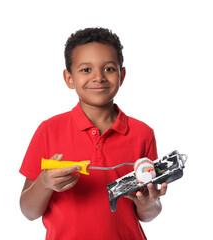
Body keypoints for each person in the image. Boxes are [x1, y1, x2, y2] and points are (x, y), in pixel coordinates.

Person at [19, 27, 167, 240]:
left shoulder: (143, 133)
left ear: (122, 75)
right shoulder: (48, 130)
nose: (98, 77)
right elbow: (28, 211)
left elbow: (148, 214)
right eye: (86, 70)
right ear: (69, 78)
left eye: (108, 69)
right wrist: (45, 183)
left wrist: (149, 203)